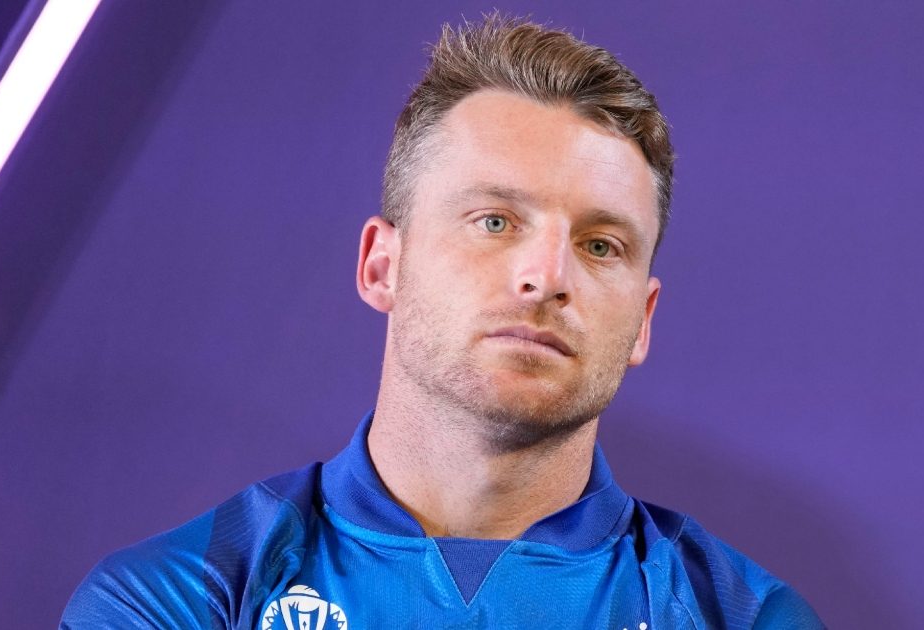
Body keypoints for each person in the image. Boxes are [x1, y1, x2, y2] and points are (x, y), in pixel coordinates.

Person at [62, 13, 825, 629]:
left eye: (600, 245)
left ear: (644, 320)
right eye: (495, 221)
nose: (547, 277)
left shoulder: (745, 618)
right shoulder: (174, 601)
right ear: (382, 265)